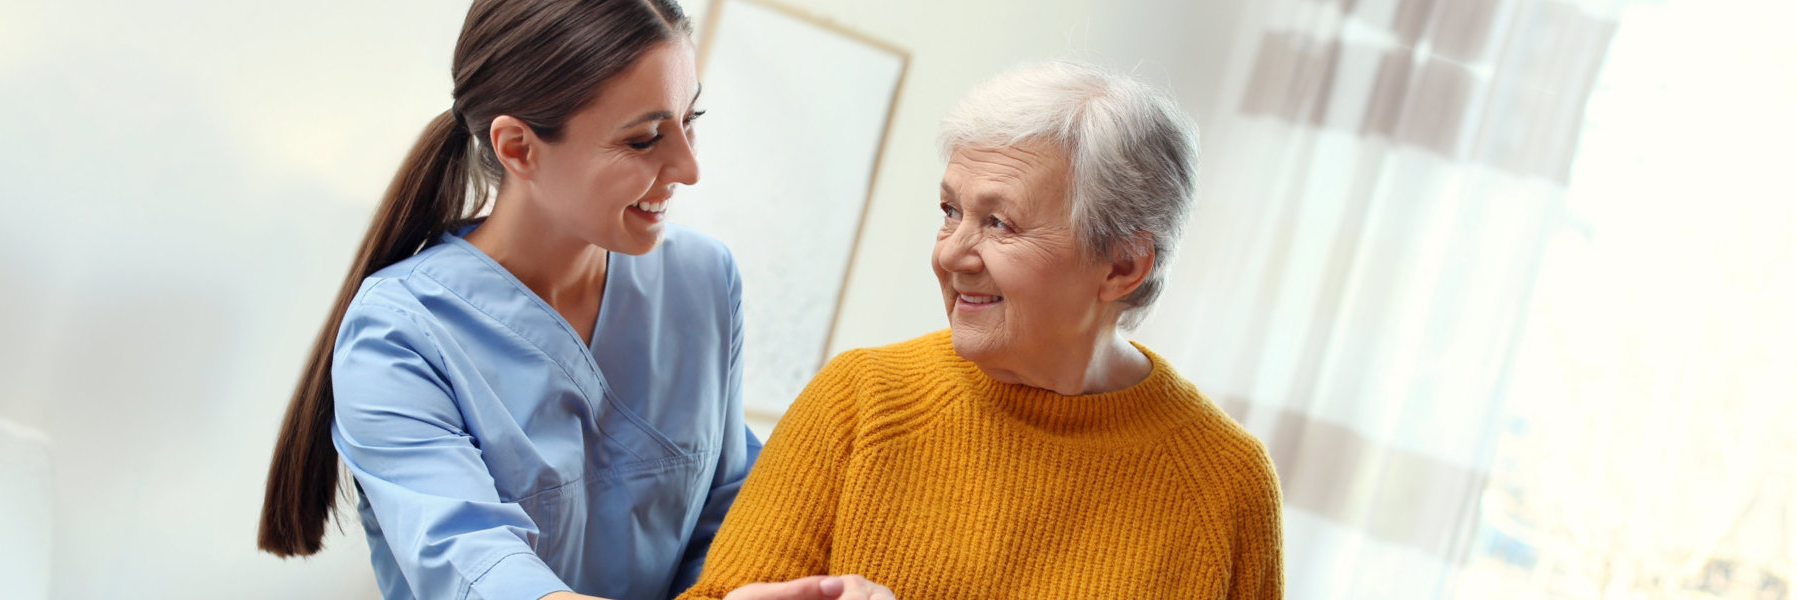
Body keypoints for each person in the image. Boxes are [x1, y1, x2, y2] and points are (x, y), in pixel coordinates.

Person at [256, 2, 885, 599]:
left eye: (690, 121)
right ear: (518, 148)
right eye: (645, 140)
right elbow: (478, 570)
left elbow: (726, 515)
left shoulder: (702, 281)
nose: (689, 168)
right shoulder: (401, 336)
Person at [678, 61, 1285, 600]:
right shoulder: (860, 399)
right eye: (950, 212)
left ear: (1123, 265)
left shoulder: (1226, 484)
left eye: (1000, 223)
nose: (951, 254)